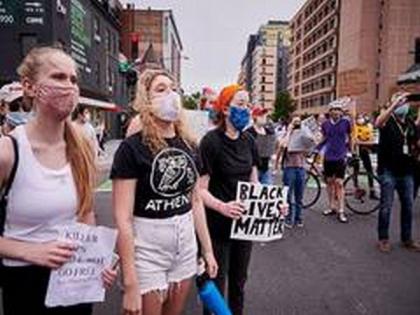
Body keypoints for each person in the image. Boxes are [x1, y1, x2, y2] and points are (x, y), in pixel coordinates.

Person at [0, 46, 117, 314]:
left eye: (73, 79)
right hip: (25, 285)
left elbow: (86, 214)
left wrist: (97, 261)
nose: (69, 86)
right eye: (58, 77)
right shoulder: (8, 151)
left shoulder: (82, 147)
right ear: (29, 87)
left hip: (73, 284)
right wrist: (30, 251)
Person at [111, 69, 218, 315]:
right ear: (146, 101)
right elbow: (123, 219)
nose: (171, 95)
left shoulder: (190, 145)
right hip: (147, 250)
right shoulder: (132, 148)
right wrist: (130, 281)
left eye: (173, 89)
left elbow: (196, 201)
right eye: (161, 89)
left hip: (185, 247)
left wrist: (208, 250)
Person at [198, 84, 259, 315]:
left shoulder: (249, 141)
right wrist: (222, 207)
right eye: (241, 104)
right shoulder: (211, 142)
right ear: (225, 109)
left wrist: (272, 205)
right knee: (215, 283)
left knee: (239, 283)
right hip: (217, 228)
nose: (247, 109)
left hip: (244, 227)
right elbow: (200, 191)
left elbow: (255, 183)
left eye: (248, 104)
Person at [375, 92, 420, 253]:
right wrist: (394, 105)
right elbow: (378, 123)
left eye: (405, 101)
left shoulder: (409, 123)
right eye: (400, 100)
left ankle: (407, 238)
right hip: (388, 171)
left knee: (408, 205)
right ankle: (383, 238)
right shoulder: (387, 120)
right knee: (386, 205)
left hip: (407, 171)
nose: (404, 103)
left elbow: (415, 141)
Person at [275, 115, 315, 228]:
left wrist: (310, 140)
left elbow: (309, 151)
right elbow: (282, 146)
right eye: (294, 122)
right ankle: (288, 218)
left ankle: (298, 218)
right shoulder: (286, 135)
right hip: (289, 168)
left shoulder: (304, 134)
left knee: (299, 195)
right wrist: (289, 131)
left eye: (299, 122)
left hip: (301, 167)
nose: (297, 124)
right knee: (288, 195)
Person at [319, 98, 353, 223]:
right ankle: (331, 206)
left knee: (339, 183)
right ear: (330, 111)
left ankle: (341, 210)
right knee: (329, 182)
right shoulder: (325, 124)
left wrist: (351, 151)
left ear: (341, 111)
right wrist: (316, 149)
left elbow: (350, 137)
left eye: (338, 109)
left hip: (340, 155)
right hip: (328, 156)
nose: (336, 112)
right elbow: (323, 138)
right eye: (333, 109)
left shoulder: (346, 122)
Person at [246, 106, 276, 185]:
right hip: (251, 169)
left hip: (266, 168)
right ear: (255, 117)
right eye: (261, 115)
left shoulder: (269, 131)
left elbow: (272, 147)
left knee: (267, 193)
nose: (264, 117)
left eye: (265, 115)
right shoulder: (248, 132)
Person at [353, 113, 378, 199]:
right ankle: (356, 189)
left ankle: (372, 191)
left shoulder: (369, 126)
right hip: (355, 150)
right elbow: (355, 140)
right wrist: (364, 143)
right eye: (358, 118)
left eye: (361, 118)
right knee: (355, 170)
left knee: (369, 170)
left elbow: (372, 140)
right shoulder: (354, 127)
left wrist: (362, 143)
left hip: (364, 150)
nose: (360, 119)